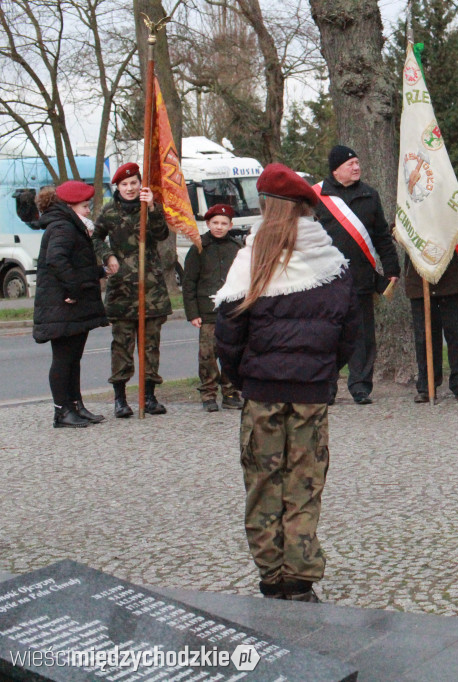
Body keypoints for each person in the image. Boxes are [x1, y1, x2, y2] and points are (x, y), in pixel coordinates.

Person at [215, 163, 360, 603]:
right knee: (304, 487)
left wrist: (241, 377)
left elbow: (229, 333)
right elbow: (349, 332)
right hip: (311, 391)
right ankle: (299, 580)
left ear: (266, 207)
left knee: (263, 485)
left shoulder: (252, 258)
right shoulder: (331, 260)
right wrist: (323, 371)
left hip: (262, 391)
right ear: (304, 208)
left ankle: (271, 577)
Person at [314, 145, 400, 405]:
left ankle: (361, 386)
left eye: (357, 162)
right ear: (336, 169)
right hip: (327, 280)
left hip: (362, 279)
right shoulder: (316, 197)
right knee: (329, 336)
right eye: (351, 163)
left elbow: (382, 236)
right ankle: (326, 387)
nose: (356, 167)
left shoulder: (369, 195)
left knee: (362, 336)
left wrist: (392, 268)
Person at [92, 162, 171, 418]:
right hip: (122, 290)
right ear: (117, 187)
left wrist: (154, 208)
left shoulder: (148, 207)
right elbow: (96, 237)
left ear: (140, 184)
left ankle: (148, 396)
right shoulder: (109, 212)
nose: (129, 188)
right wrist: (107, 255)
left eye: (134, 183)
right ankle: (120, 399)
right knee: (122, 346)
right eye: (125, 184)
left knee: (150, 346)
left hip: (150, 289)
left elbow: (161, 234)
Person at [32, 182, 110, 428]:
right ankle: (62, 411)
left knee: (73, 358)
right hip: (62, 304)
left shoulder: (70, 226)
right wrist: (73, 289)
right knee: (64, 359)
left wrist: (99, 271)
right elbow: (56, 260)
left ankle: (75, 405)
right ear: (69, 206)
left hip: (70, 305)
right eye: (85, 206)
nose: (88, 211)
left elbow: (75, 264)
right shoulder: (63, 227)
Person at [182, 203, 244, 412]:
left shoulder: (236, 248)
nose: (219, 227)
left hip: (231, 310)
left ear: (230, 225)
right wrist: (193, 313)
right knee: (207, 355)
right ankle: (208, 394)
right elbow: (189, 282)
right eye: (215, 223)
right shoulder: (199, 247)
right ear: (208, 223)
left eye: (224, 223)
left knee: (231, 353)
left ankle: (230, 392)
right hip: (207, 312)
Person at [403, 255, 458, 403]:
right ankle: (426, 384)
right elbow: (396, 232)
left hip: (451, 276)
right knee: (424, 338)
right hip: (419, 277)